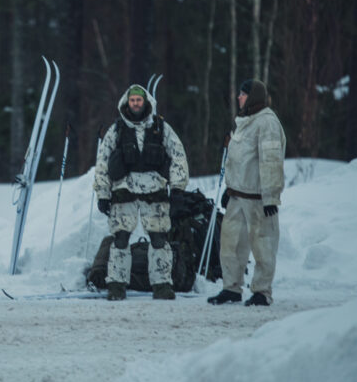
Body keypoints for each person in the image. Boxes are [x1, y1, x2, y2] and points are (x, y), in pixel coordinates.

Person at [93, 85, 189, 300]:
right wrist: (102, 193)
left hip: (154, 193)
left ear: (146, 102)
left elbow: (178, 156)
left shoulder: (161, 128)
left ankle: (162, 284)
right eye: (132, 100)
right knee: (120, 239)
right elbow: (102, 162)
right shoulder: (116, 130)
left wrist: (177, 189)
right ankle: (116, 284)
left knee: (158, 240)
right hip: (123, 193)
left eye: (139, 100)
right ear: (126, 103)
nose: (136, 104)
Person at [207, 78, 287, 307]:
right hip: (237, 196)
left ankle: (262, 291)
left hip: (259, 199)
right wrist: (229, 189)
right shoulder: (244, 122)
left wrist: (271, 196)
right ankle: (231, 288)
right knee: (230, 245)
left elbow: (271, 162)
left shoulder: (267, 123)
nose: (238, 98)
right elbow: (238, 161)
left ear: (252, 98)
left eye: (242, 94)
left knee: (263, 246)